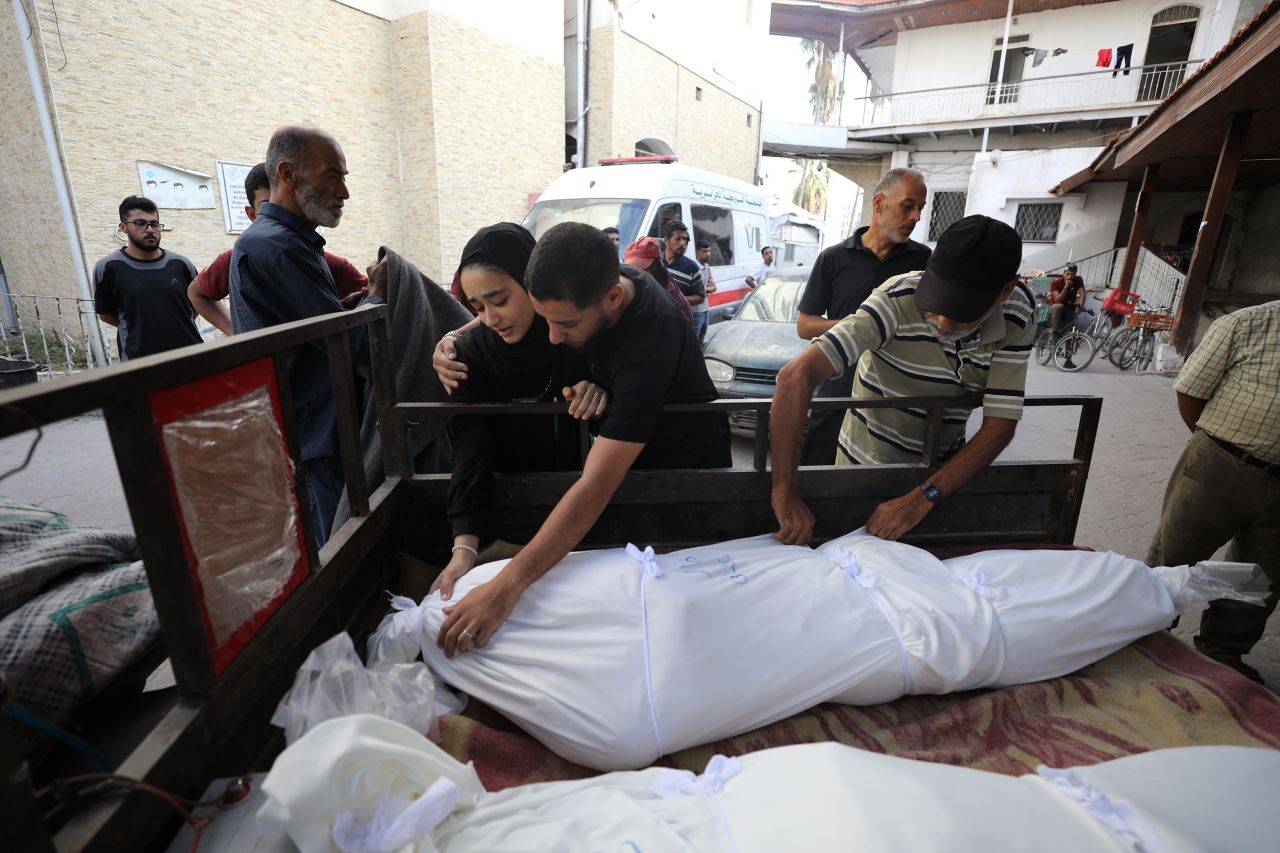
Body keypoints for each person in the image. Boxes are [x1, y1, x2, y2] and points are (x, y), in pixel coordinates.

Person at [434, 221, 731, 656]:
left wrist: (506, 586)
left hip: (680, 481)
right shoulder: (592, 288)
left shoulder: (651, 339)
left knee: (664, 624)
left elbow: (594, 486)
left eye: (565, 325)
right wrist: (451, 336)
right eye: (547, 320)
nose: (554, 337)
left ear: (612, 300)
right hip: (625, 469)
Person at [769, 215, 1034, 545]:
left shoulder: (1018, 313)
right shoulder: (896, 299)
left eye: (961, 311)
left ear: (1005, 290)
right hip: (863, 468)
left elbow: (1001, 423)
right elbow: (795, 377)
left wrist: (924, 497)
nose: (941, 320)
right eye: (937, 303)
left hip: (942, 474)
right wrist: (784, 490)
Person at [433, 223, 607, 600]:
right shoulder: (470, 354)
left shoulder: (570, 333)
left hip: (575, 501)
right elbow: (469, 449)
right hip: (499, 508)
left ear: (531, 282)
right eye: (477, 307)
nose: (491, 318)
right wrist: (464, 548)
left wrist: (597, 394)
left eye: (499, 301)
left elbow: (616, 414)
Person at [230, 126, 385, 546]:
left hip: (316, 429)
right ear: (288, 174)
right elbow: (345, 343)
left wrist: (353, 303)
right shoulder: (276, 247)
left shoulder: (283, 243)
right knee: (341, 547)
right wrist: (380, 296)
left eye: (344, 177)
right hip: (316, 433)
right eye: (332, 176)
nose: (344, 193)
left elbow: (317, 324)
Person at [1146, 301, 1280, 683]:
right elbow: (1190, 393)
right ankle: (1144, 640)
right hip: (1219, 464)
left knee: (1260, 575)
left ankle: (1223, 655)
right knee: (1174, 556)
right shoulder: (1245, 323)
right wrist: (1220, 446)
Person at [797, 167, 931, 465]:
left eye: (920, 208)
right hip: (838, 387)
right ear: (879, 203)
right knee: (819, 472)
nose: (916, 217)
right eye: (908, 206)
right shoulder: (833, 258)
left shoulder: (923, 262)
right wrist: (867, 327)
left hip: (896, 393)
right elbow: (806, 326)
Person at [188, 162, 368, 335]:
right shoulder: (240, 256)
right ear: (252, 214)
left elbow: (369, 293)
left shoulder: (327, 263)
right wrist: (237, 334)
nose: (280, 210)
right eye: (268, 205)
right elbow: (197, 293)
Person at [93, 196, 202, 360]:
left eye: (154, 223)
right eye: (140, 223)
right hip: (138, 361)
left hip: (191, 355)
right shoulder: (109, 267)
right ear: (123, 227)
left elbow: (198, 303)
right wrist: (140, 328)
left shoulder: (180, 264)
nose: (150, 229)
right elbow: (106, 314)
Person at [623, 237, 692, 324]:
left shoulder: (673, 303)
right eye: (630, 270)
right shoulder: (630, 292)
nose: (635, 276)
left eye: (642, 270)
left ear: (656, 266)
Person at [663, 220, 707, 339]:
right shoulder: (656, 262)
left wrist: (677, 299)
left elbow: (700, 297)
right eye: (677, 239)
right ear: (666, 240)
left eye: (685, 239)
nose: (682, 243)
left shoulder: (691, 267)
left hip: (680, 325)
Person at [1048, 264, 1086, 333]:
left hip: (1069, 307)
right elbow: (1058, 300)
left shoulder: (1078, 279)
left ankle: (1069, 342)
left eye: (1073, 275)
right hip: (1054, 308)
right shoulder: (1056, 282)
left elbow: (1082, 293)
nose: (1070, 277)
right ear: (1063, 274)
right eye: (1067, 274)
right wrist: (1066, 287)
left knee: (1072, 325)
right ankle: (1054, 332)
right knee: (1059, 306)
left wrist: (1080, 306)